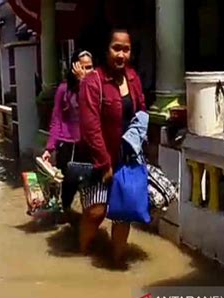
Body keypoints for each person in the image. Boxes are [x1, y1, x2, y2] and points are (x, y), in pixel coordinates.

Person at [78, 29, 146, 267]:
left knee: (124, 212)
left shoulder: (134, 79)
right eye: (116, 48)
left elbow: (141, 112)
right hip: (99, 158)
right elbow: (90, 127)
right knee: (96, 212)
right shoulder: (92, 82)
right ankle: (82, 254)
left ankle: (117, 262)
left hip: (127, 157)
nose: (121, 55)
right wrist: (104, 163)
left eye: (125, 49)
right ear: (105, 50)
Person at [41, 50, 94, 213]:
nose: (86, 71)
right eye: (82, 67)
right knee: (68, 186)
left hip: (89, 143)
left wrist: (84, 83)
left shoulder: (97, 89)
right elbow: (57, 119)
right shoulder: (64, 89)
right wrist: (50, 148)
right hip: (68, 144)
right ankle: (65, 212)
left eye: (90, 67)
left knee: (90, 188)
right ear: (74, 67)